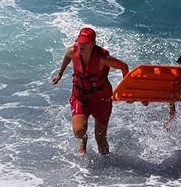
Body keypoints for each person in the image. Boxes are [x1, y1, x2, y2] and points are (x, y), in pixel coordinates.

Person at [51, 27, 129, 156]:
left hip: (101, 99)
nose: (81, 45)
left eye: (85, 43)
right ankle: (84, 139)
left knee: (100, 138)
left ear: (92, 43)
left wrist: (126, 89)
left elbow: (123, 66)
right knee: (78, 131)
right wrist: (60, 74)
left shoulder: (102, 58)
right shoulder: (72, 51)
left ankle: (106, 167)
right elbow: (67, 57)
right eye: (80, 42)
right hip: (80, 96)